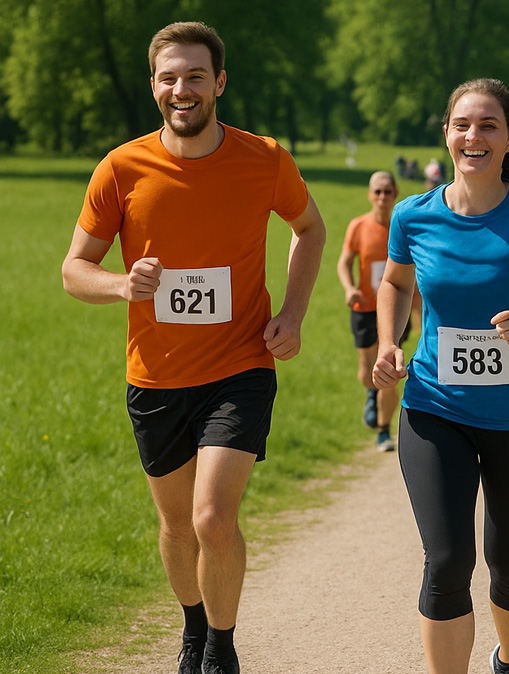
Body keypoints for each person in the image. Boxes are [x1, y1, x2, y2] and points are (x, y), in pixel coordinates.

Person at [61, 21, 326, 674]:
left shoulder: (264, 159)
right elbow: (73, 270)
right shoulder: (120, 168)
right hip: (155, 376)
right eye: (170, 77)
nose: (183, 89)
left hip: (241, 365)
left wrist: (292, 313)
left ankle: (221, 647)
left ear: (220, 83)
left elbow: (310, 228)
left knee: (212, 518)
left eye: (196, 76)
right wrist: (123, 285)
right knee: (177, 527)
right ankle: (190, 626)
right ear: (155, 86)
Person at [372, 78, 509, 674]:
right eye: (463, 125)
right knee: (446, 562)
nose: (475, 137)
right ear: (447, 134)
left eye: (489, 125)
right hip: (434, 406)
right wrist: (389, 341)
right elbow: (394, 284)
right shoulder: (411, 217)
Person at [336, 170, 414, 451]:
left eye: (388, 192)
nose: (382, 198)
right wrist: (349, 287)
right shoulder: (358, 226)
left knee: (389, 366)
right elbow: (344, 262)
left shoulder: (402, 226)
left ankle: (384, 429)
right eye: (377, 192)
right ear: (370, 195)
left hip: (394, 308)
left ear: (396, 194)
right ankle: (371, 394)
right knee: (366, 366)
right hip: (364, 306)